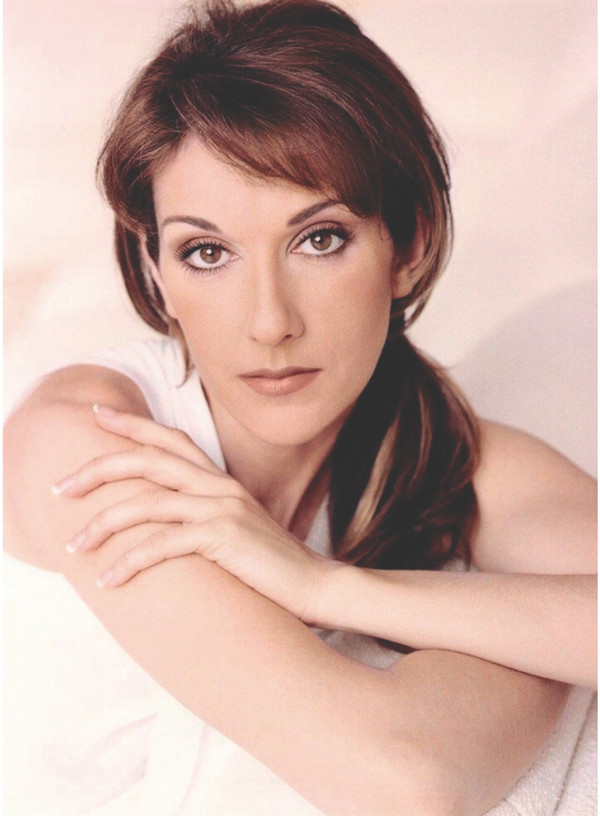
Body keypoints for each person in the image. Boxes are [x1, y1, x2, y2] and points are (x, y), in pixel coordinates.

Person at [4, 1, 596, 814]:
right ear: (155, 269)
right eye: (206, 252)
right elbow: (405, 781)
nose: (269, 322)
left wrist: (327, 588)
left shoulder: (453, 455)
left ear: (409, 243)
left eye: (319, 239)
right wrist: (539, 645)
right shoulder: (89, 447)